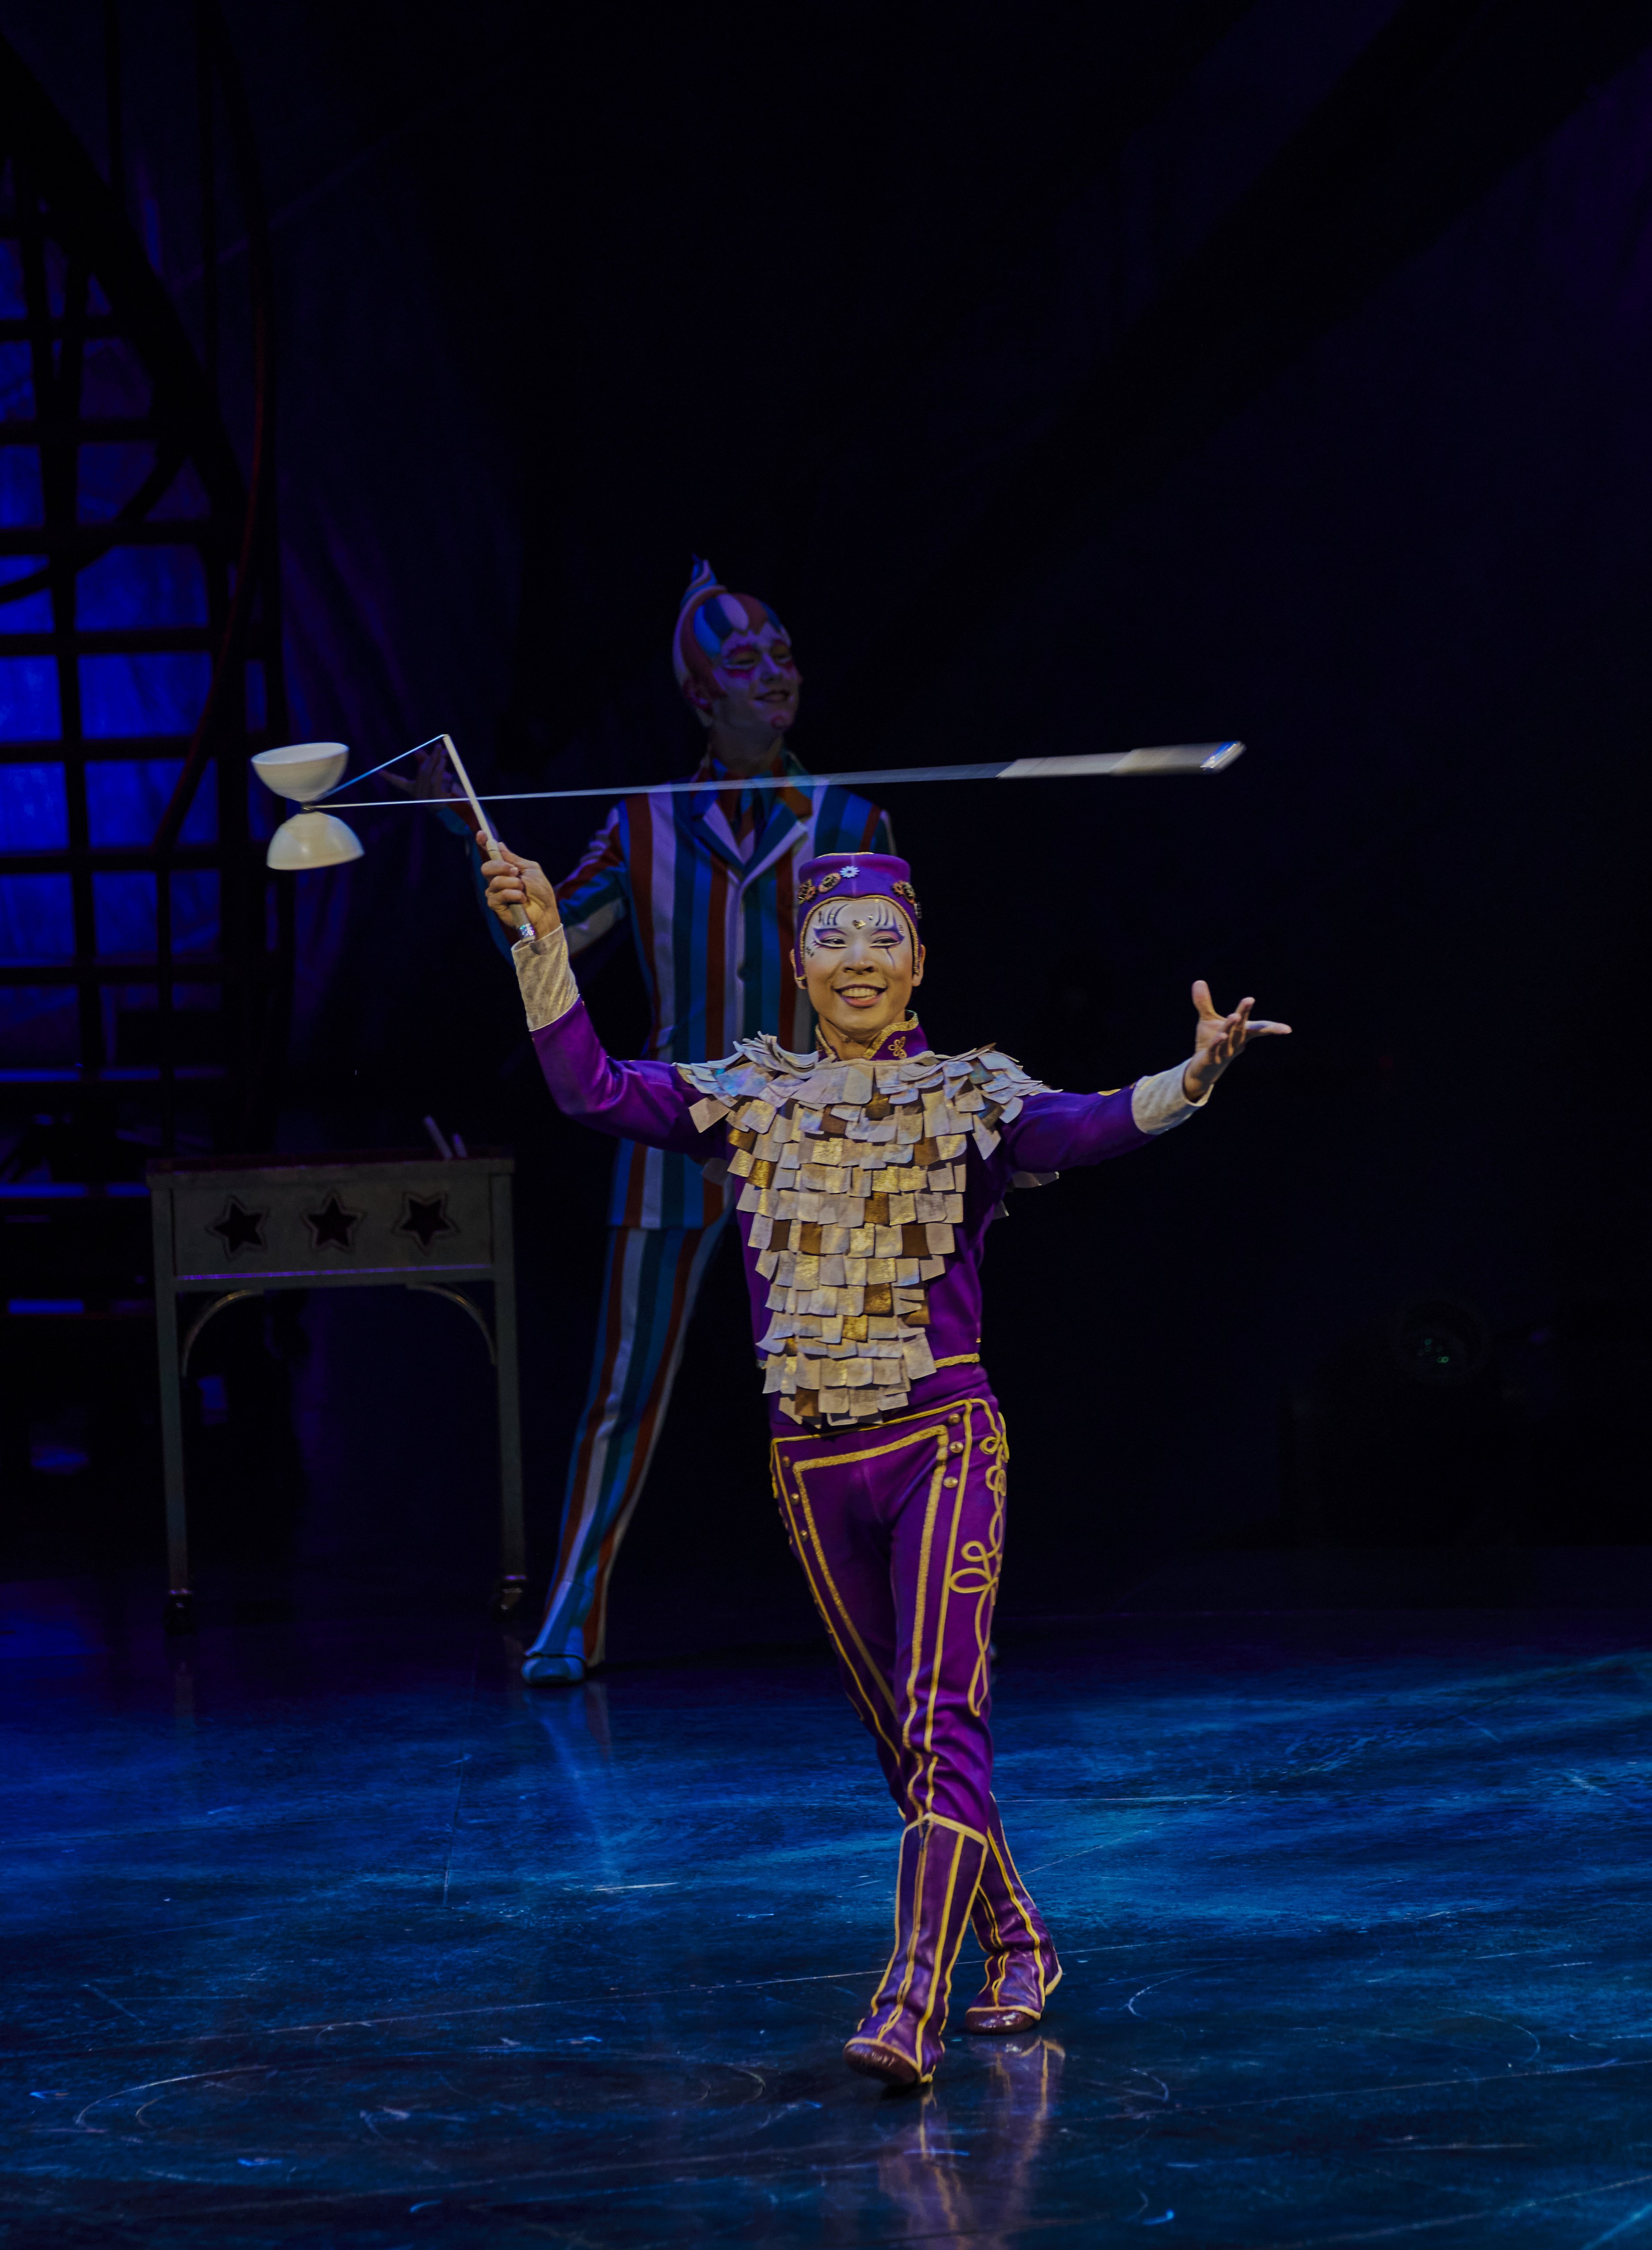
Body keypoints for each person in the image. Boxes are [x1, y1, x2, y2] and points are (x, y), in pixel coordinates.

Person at [478, 834, 1287, 2088]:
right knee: (901, 1744)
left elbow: (1082, 1128)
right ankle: (1019, 1939)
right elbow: (590, 1089)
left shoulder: (970, 1098)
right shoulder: (748, 1099)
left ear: (920, 963)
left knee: (941, 1714)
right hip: (808, 1461)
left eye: (883, 938)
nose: (858, 960)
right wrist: (542, 937)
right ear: (797, 963)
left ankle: (912, 1996)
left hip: (939, 1441)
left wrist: (1189, 1077)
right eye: (831, 938)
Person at [495, 560, 896, 1687]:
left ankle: (887, 1605)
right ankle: (571, 1610)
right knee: (622, 1385)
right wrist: (520, 912)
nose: (775, 676)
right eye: (745, 661)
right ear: (697, 692)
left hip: (817, 1144)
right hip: (678, 1139)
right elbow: (557, 950)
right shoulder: (645, 822)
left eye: (782, 657)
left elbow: (889, 974)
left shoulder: (852, 815)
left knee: (859, 1384)